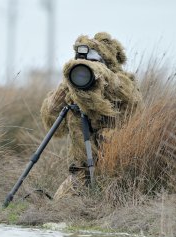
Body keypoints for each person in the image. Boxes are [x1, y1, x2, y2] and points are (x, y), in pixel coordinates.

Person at [40, 32, 142, 200]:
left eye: (93, 63)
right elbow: (51, 119)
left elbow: (132, 102)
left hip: (114, 171)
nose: (86, 70)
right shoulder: (72, 88)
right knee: (62, 206)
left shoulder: (121, 82)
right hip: (80, 170)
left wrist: (103, 76)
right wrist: (68, 83)